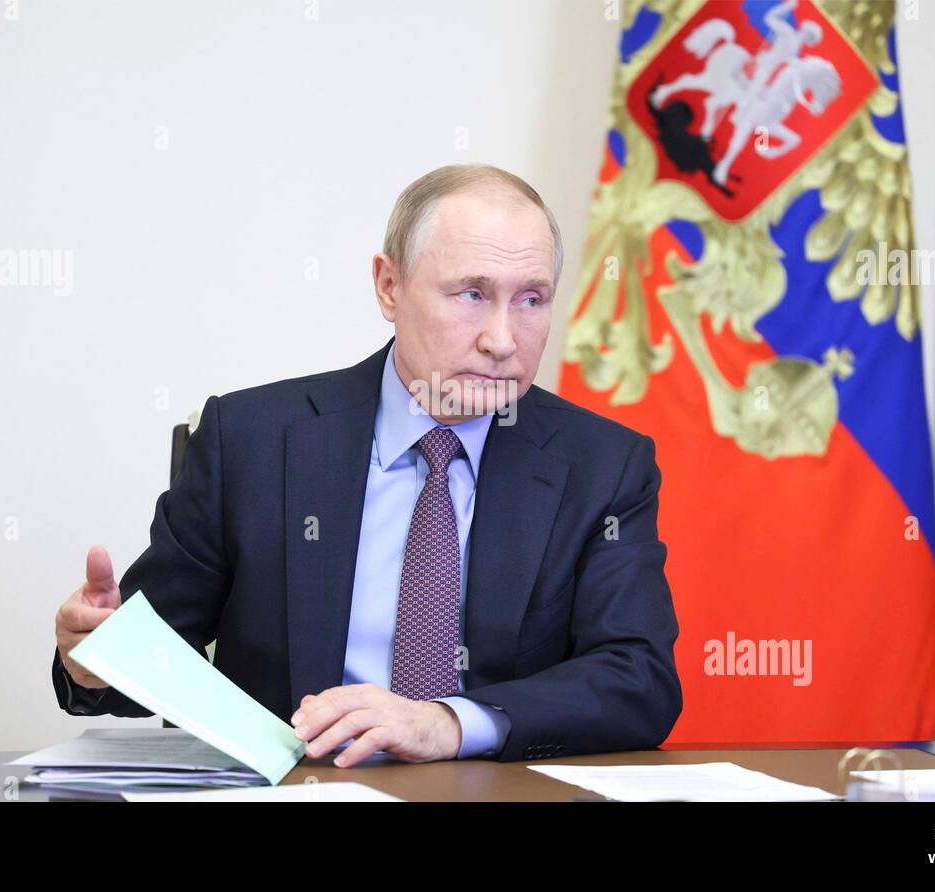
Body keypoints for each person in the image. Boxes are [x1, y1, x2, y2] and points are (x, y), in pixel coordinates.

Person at [53, 163, 681, 765]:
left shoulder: (603, 465)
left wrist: (450, 722)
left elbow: (638, 680)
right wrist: (96, 660)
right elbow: (145, 661)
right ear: (388, 286)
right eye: (471, 293)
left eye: (531, 299)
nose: (502, 339)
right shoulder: (250, 441)